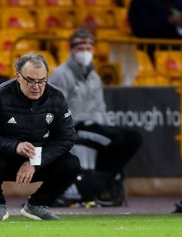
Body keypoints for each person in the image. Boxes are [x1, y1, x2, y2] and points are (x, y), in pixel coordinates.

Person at [0, 52, 81, 221]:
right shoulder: (0, 94)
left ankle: (37, 205)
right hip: (6, 159)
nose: (36, 86)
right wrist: (15, 146)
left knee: (71, 163)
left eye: (42, 81)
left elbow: (67, 138)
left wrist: (35, 161)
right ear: (18, 77)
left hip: (38, 161)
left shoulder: (56, 97)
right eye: (30, 80)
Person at [48, 28, 143, 206]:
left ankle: (101, 180)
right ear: (71, 49)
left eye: (89, 47)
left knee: (132, 138)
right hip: (75, 126)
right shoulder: (61, 74)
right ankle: (100, 183)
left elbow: (101, 107)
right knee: (115, 140)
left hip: (95, 126)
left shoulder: (94, 77)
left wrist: (108, 127)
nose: (85, 51)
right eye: (80, 47)